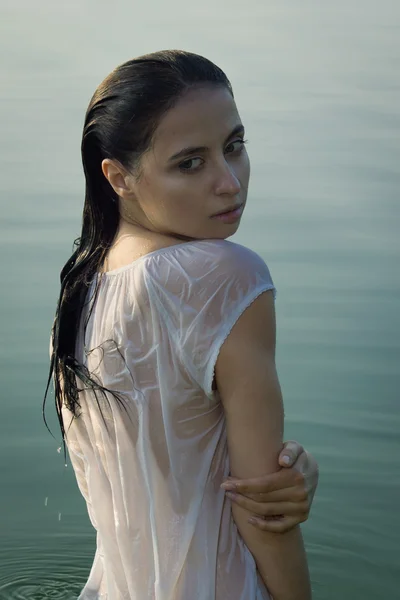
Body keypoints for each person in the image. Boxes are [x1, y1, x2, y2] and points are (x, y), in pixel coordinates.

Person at [44, 50, 318, 600]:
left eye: (234, 147)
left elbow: (172, 478)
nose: (229, 182)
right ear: (117, 176)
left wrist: (288, 472)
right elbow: (265, 515)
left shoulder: (81, 291)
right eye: (190, 163)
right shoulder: (227, 276)